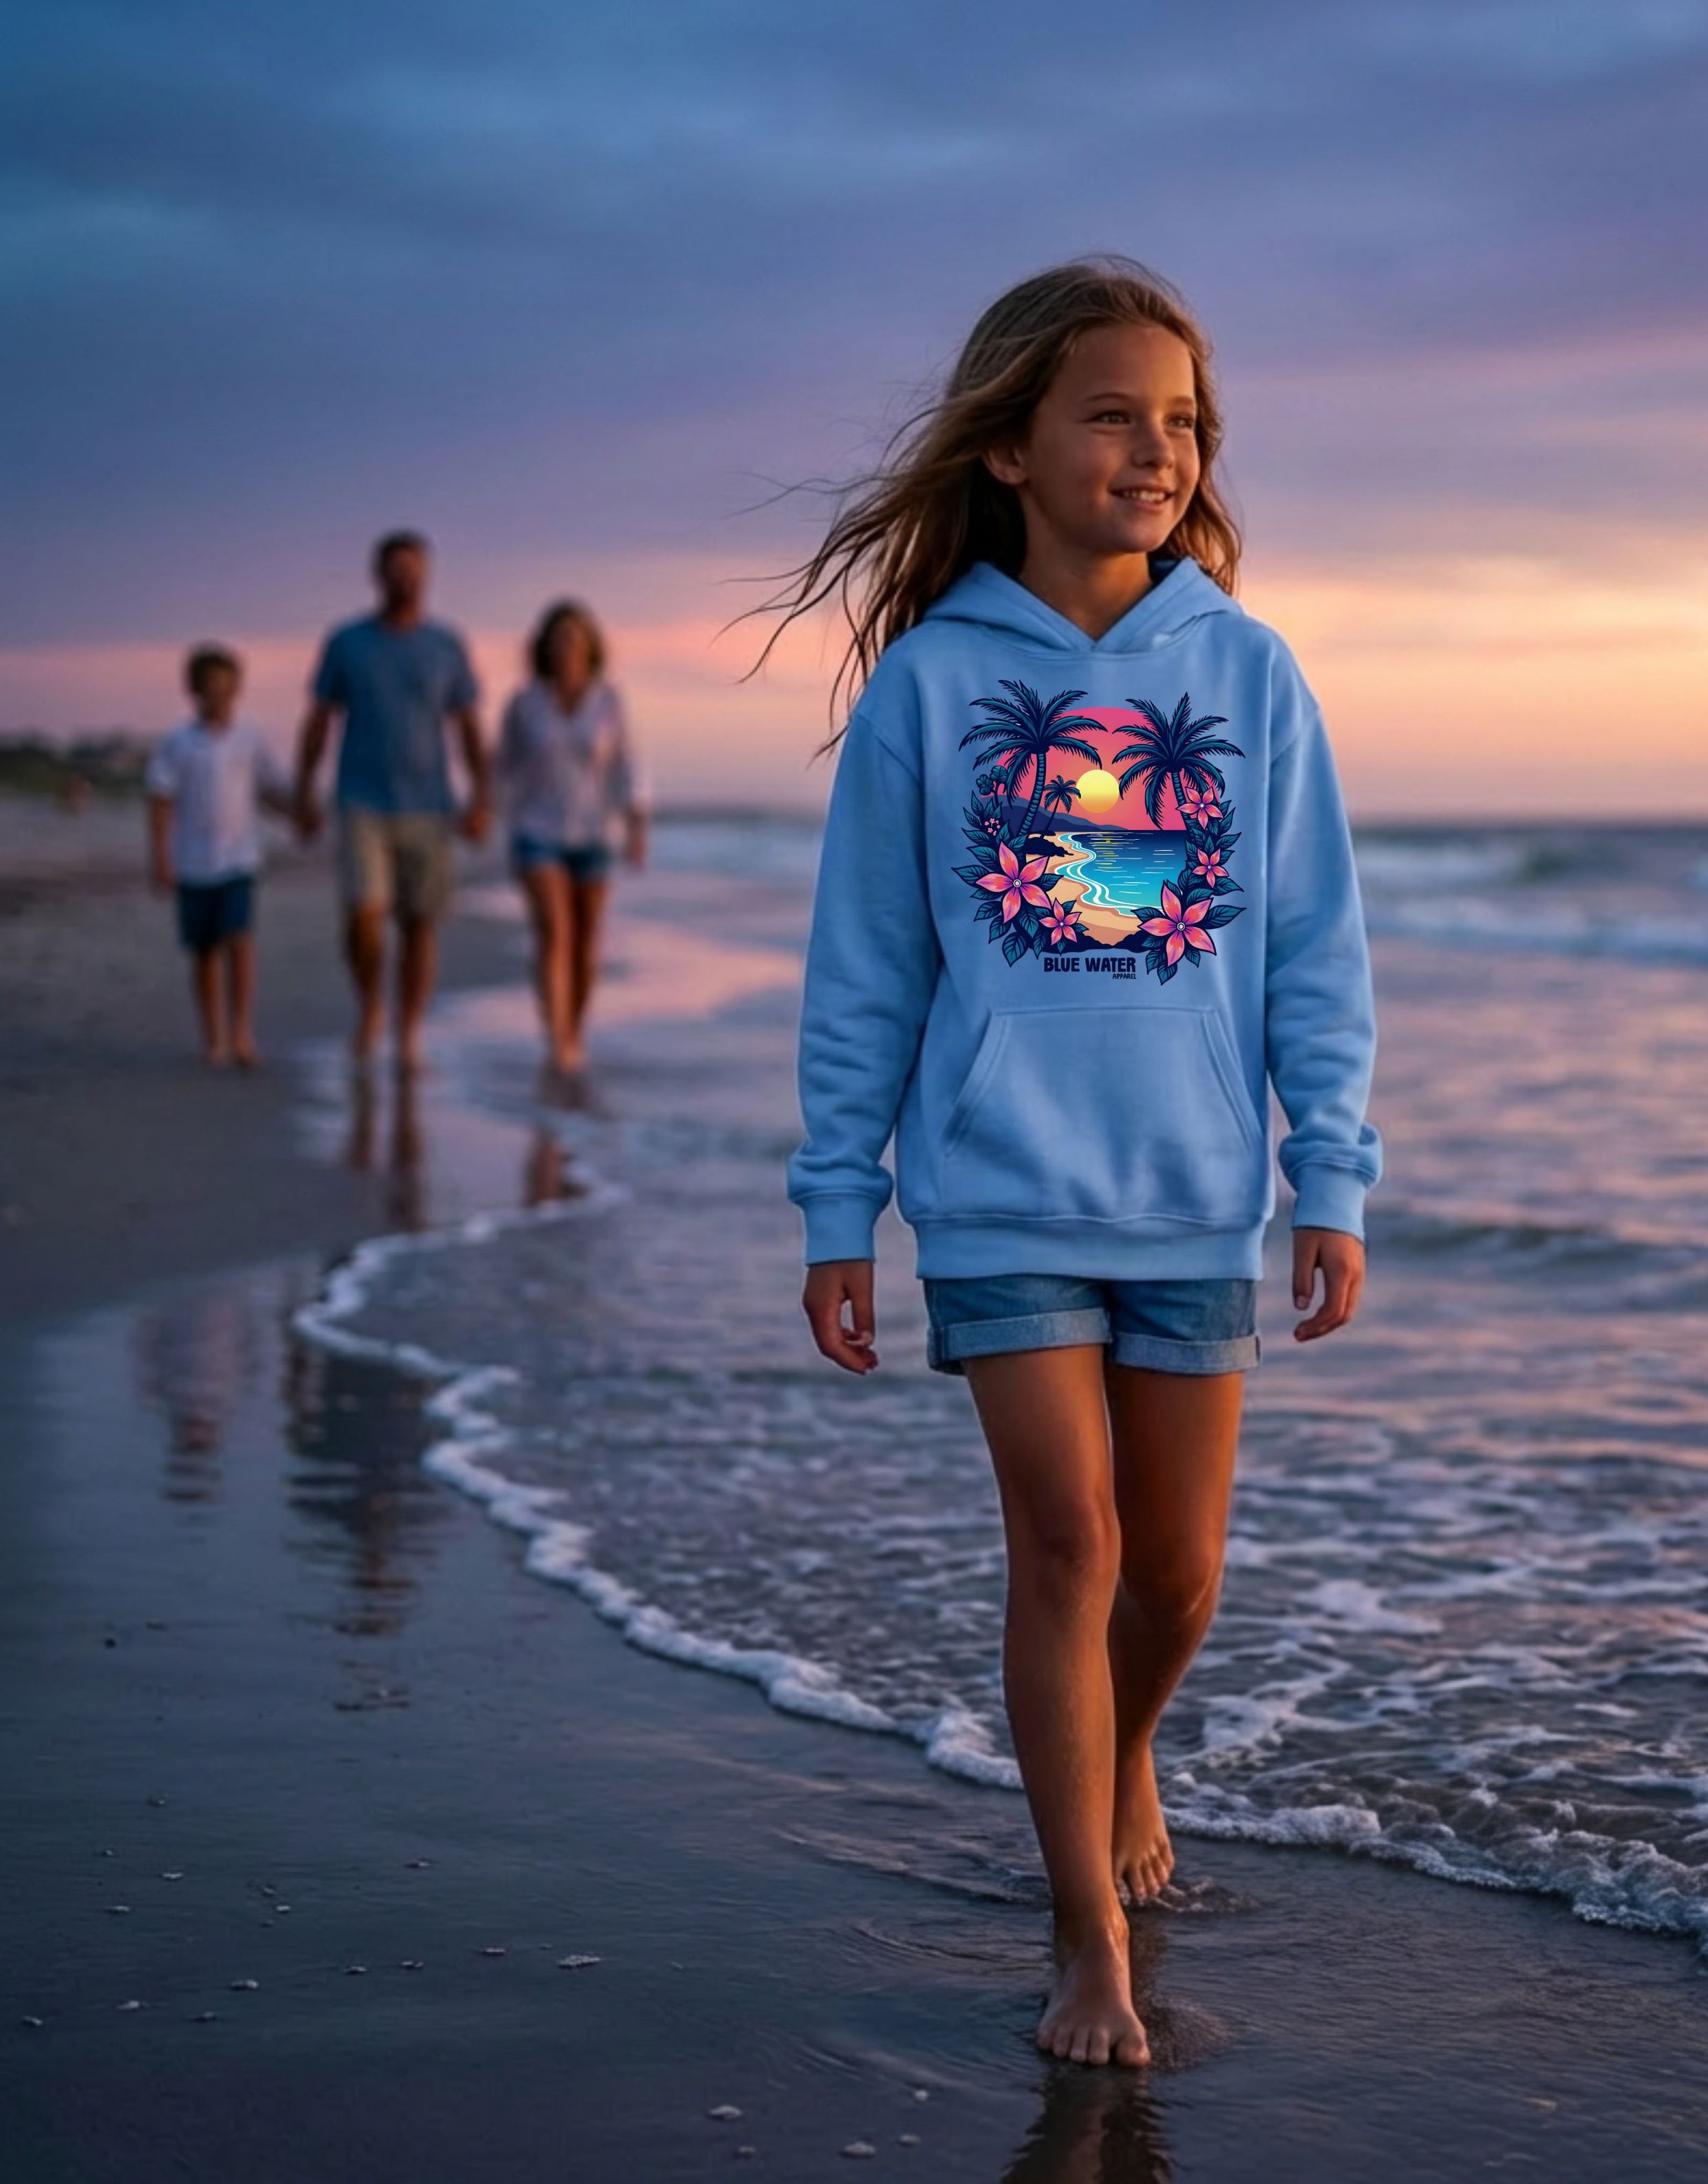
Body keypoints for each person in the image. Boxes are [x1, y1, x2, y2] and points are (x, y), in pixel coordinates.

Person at [783, 261, 1380, 2068]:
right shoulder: (933, 686)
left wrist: (1329, 1176)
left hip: (1193, 1188)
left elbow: (1313, 945)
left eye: (1182, 420)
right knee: (1070, 1539)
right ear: (1015, 447)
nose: (1156, 449)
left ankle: (1123, 1746)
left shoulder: (1251, 672)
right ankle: (1086, 1939)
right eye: (1114, 414)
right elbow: (869, 964)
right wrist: (840, 1205)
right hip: (996, 1189)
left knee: (1180, 1579)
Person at [294, 531, 489, 1071]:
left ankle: (408, 1032)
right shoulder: (347, 642)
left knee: (420, 924)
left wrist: (482, 797)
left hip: (430, 803)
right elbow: (319, 720)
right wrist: (303, 791)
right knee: (364, 914)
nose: (404, 578)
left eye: (414, 569)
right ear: (377, 576)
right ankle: (370, 1008)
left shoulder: (446, 645)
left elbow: (468, 726)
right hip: (361, 800)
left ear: (427, 576)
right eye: (394, 569)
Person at [495, 599, 648, 1076]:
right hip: (537, 831)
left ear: (590, 647)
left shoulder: (609, 703)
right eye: (558, 639)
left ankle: (574, 1030)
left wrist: (636, 826)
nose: (566, 648)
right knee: (555, 932)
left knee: (586, 941)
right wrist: (487, 811)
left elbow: (627, 767)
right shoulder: (525, 704)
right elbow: (503, 768)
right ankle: (558, 1038)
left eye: (575, 639)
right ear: (545, 647)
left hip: (594, 833)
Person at [145, 643, 292, 1069]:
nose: (219, 696)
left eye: (226, 687)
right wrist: (161, 859)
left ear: (237, 689)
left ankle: (242, 1033)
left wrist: (298, 816)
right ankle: (214, 1038)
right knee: (204, 951)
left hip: (238, 859)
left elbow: (268, 790)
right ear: (194, 691)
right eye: (210, 688)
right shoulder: (178, 743)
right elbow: (160, 801)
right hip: (192, 862)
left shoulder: (250, 737)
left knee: (240, 940)